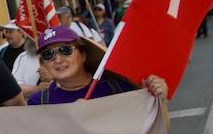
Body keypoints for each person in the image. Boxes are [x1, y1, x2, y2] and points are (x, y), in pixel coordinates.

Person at [26, 26, 168, 105]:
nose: (57, 59)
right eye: (48, 54)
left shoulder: (117, 89)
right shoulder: (39, 103)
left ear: (83, 55)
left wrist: (159, 101)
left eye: (65, 50)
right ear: (44, 63)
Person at [0, 22, 44, 99]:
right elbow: (14, 88)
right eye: (6, 32)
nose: (7, 35)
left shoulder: (58, 56)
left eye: (10, 32)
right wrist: (38, 88)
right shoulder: (21, 57)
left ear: (21, 32)